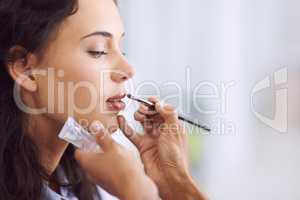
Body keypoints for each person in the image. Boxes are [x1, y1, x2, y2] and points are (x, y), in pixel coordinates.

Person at [0, 0, 207, 199]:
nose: (128, 70)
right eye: (98, 50)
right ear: (25, 68)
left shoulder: (93, 187)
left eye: (121, 49)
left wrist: (175, 182)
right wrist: (137, 192)